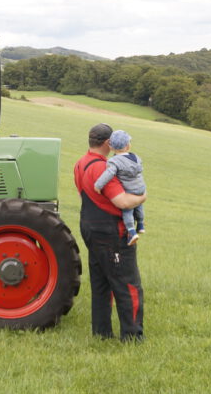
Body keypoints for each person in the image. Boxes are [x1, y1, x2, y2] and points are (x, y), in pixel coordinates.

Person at [74, 123, 147, 341]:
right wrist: (142, 198)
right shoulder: (103, 168)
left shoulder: (80, 163)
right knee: (127, 284)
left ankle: (101, 333)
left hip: (89, 227)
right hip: (111, 232)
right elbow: (122, 201)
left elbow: (82, 195)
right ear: (108, 143)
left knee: (100, 283)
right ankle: (133, 336)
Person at [94, 129, 146, 246]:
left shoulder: (114, 161)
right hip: (141, 188)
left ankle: (132, 231)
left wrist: (98, 185)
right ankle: (141, 224)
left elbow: (108, 174)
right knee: (138, 204)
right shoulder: (136, 157)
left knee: (127, 209)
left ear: (111, 147)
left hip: (130, 190)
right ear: (128, 146)